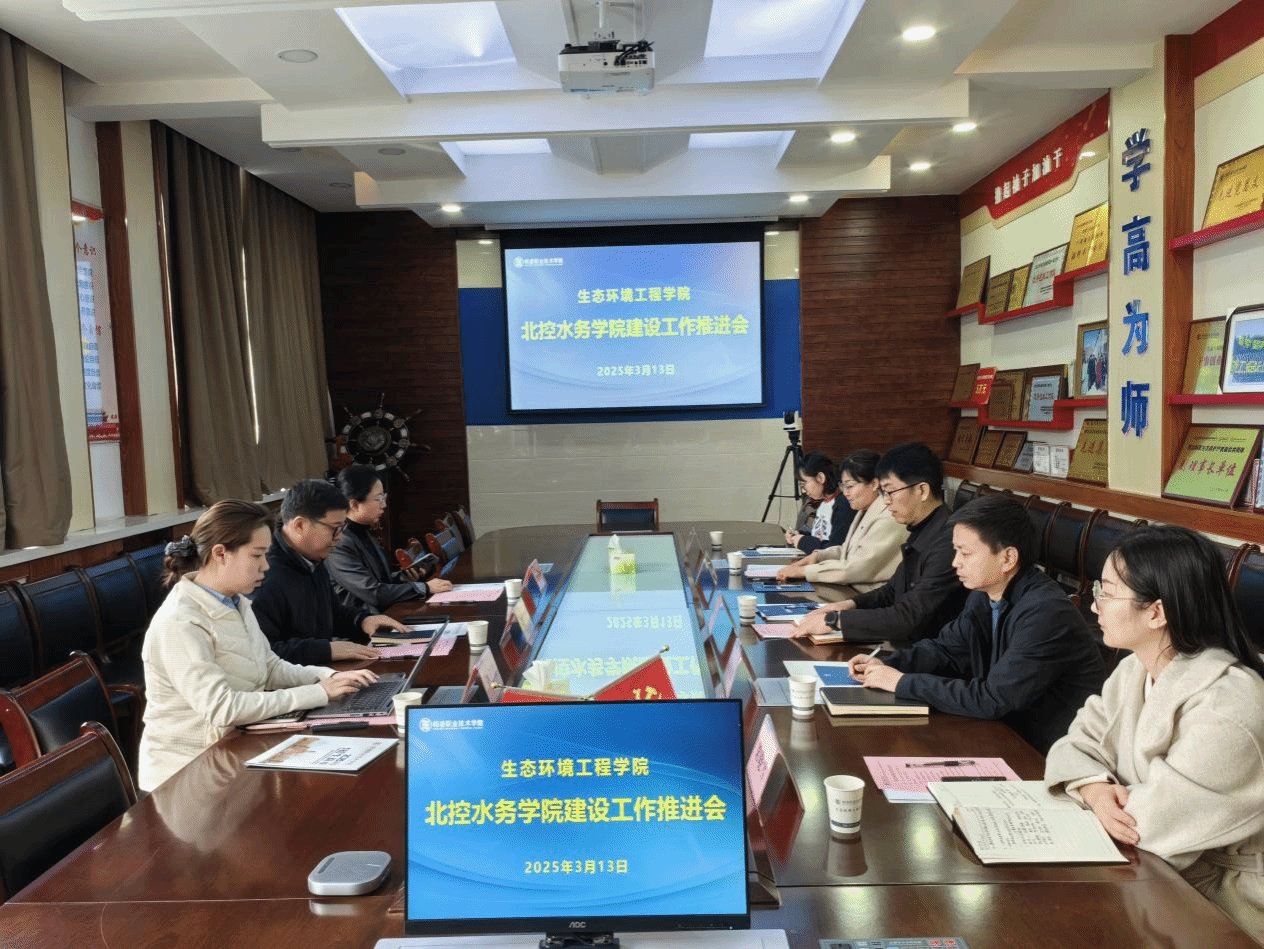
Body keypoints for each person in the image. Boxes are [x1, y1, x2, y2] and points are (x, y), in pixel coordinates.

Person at [1045, 525, 1264, 940]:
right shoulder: (1134, 668)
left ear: (1156, 612)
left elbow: (1150, 825)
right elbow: (1074, 744)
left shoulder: (1231, 705)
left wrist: (1101, 794)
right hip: (1151, 873)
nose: (1094, 604)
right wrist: (1095, 788)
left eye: (1107, 593)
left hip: (1228, 904)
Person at [138, 500, 377, 791]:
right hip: (187, 776)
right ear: (220, 553)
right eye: (257, 555)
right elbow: (223, 708)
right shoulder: (180, 622)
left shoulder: (236, 602)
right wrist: (317, 693)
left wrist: (328, 677)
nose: (266, 565)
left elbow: (270, 666)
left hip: (232, 751)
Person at [848, 495, 1105, 754]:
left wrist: (902, 682)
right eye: (955, 551)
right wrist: (887, 664)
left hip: (1046, 752)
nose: (955, 562)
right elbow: (945, 650)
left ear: (1007, 558)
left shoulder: (1045, 612)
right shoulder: (985, 593)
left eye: (965, 553)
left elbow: (994, 698)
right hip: (1003, 732)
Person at [794, 443, 965, 644]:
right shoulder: (922, 527)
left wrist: (835, 621)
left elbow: (909, 616)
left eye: (890, 492)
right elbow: (892, 591)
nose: (885, 501)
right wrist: (848, 605)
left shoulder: (949, 542)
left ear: (922, 490)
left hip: (928, 649)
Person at [252, 478, 410, 665]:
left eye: (342, 528)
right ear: (300, 525)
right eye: (335, 529)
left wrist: (362, 621)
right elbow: (266, 653)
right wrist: (326, 650)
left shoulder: (312, 557)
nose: (340, 537)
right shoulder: (263, 574)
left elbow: (332, 614)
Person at [775, 449, 907, 598]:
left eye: (850, 486)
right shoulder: (865, 509)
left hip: (873, 598)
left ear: (875, 483)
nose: (845, 492)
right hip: (857, 592)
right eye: (843, 486)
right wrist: (818, 556)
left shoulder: (888, 515)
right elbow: (848, 550)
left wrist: (805, 571)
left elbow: (856, 568)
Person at [326, 464, 453, 614]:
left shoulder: (363, 531)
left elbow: (380, 580)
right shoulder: (338, 543)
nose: (384, 505)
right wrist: (425, 588)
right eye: (379, 499)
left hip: (384, 613)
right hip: (363, 622)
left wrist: (403, 577)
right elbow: (374, 593)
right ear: (354, 504)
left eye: (384, 497)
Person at [784, 451, 855, 553]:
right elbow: (820, 537)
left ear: (820, 478)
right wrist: (798, 535)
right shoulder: (823, 503)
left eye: (804, 484)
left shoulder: (842, 504)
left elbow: (835, 548)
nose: (804, 490)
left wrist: (802, 541)